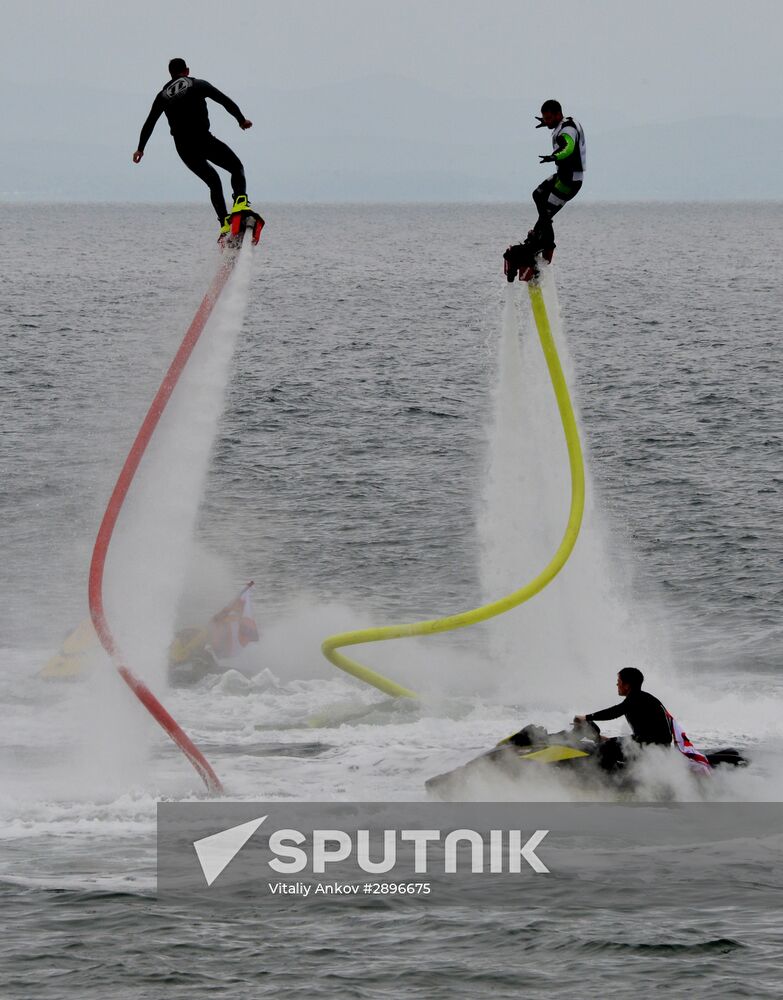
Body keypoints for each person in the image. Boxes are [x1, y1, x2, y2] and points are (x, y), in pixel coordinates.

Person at [133, 58, 254, 237]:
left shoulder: (162, 96)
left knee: (213, 181)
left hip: (184, 149)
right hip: (203, 140)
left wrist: (140, 149)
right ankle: (240, 203)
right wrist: (241, 120)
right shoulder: (198, 85)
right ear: (187, 71)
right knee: (236, 167)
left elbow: (150, 122)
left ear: (170, 74)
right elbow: (223, 100)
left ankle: (225, 224)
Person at [574, 667, 671, 771]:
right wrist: (607, 739)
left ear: (627, 685)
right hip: (652, 747)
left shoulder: (636, 699)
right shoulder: (643, 698)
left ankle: (608, 776)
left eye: (618, 681)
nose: (617, 685)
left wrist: (586, 717)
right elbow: (644, 735)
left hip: (651, 751)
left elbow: (614, 712)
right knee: (609, 744)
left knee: (603, 750)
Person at [528, 99, 586, 254]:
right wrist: (547, 122)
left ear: (558, 114)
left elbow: (568, 147)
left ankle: (546, 244)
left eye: (549, 118)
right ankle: (539, 238)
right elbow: (558, 126)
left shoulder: (567, 130)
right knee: (537, 195)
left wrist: (553, 157)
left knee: (546, 213)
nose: (547, 122)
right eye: (544, 118)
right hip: (562, 175)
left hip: (570, 181)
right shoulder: (565, 122)